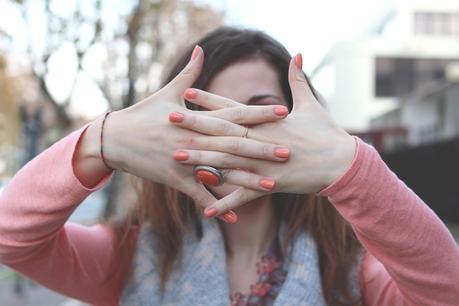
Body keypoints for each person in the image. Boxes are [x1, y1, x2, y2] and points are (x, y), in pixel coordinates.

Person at [0, 27, 458, 306]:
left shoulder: (352, 268)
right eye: (207, 112)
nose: (233, 130)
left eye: (261, 110)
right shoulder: (126, 256)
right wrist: (101, 141)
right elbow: (9, 237)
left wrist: (353, 169)